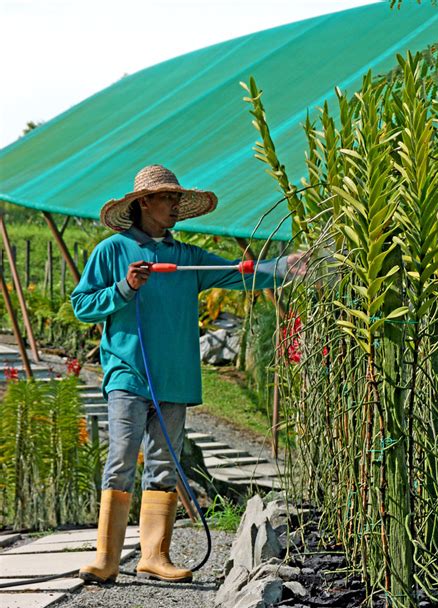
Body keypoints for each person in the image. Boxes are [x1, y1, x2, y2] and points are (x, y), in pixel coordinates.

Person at [71, 164, 307, 585]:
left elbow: (240, 274)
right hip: (128, 374)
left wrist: (285, 266)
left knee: (164, 464)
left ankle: (154, 557)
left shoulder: (187, 258)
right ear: (144, 202)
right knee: (121, 457)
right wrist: (125, 288)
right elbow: (83, 305)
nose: (175, 206)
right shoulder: (112, 251)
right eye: (168, 198)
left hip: (175, 379)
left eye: (179, 199)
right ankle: (106, 558)